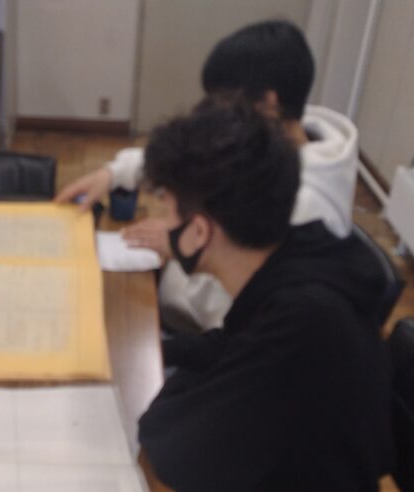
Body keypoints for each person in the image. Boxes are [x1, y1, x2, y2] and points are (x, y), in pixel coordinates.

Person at [135, 97, 392, 492]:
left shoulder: (302, 321)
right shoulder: (298, 257)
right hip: (283, 463)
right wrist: (162, 350)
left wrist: (165, 390)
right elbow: (234, 346)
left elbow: (173, 452)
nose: (162, 225)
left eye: (167, 211)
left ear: (199, 231)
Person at [56, 20, 359, 333]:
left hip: (198, 329)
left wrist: (181, 247)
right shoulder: (275, 141)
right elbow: (197, 160)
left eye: (225, 102)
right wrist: (114, 173)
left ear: (269, 102)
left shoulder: (300, 204)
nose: (217, 114)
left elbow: (231, 315)